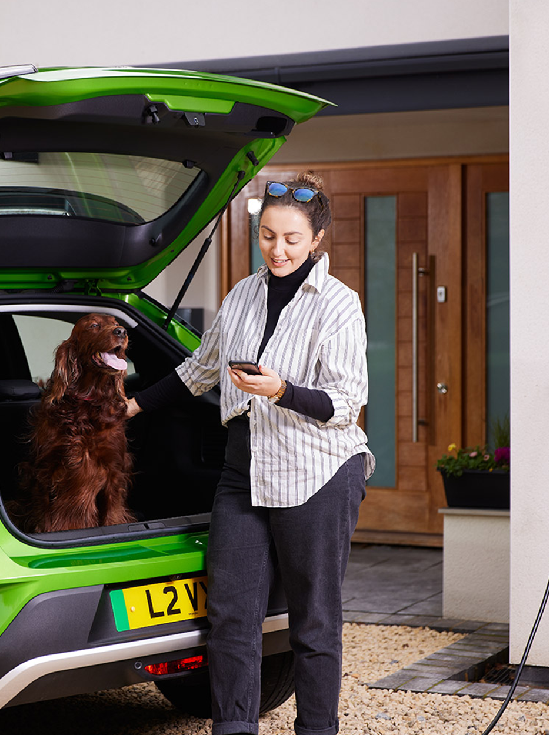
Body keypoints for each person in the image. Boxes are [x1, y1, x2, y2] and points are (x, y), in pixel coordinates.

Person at [127, 171, 374, 735]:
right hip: (243, 474)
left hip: (316, 474)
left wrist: (281, 390)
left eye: (291, 239)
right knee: (231, 617)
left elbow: (344, 404)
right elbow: (199, 370)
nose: (277, 249)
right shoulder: (241, 294)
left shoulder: (339, 305)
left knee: (313, 622)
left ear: (317, 239)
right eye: (267, 236)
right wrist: (132, 407)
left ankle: (317, 729)